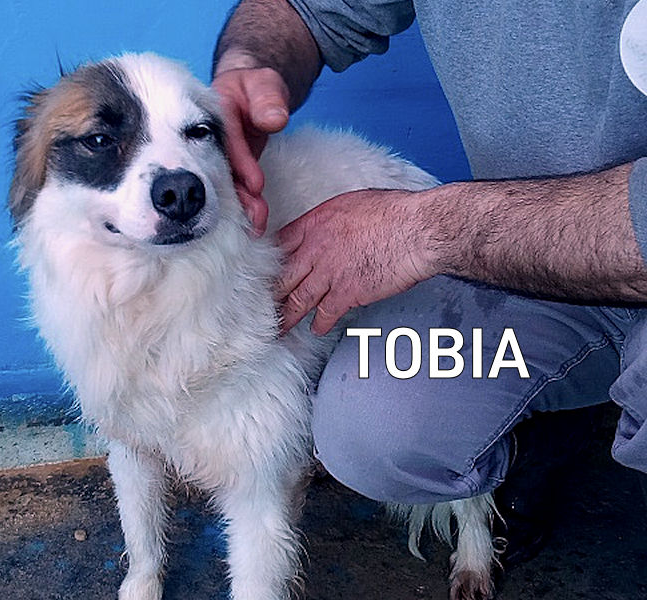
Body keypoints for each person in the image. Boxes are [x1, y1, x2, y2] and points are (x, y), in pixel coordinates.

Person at [212, 0, 647, 562]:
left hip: (588, 247)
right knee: (372, 433)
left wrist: (427, 229)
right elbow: (307, 9)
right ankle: (544, 430)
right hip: (524, 263)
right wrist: (250, 64)